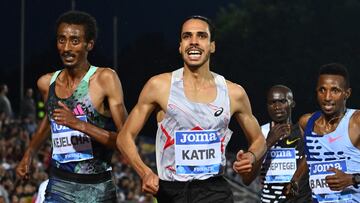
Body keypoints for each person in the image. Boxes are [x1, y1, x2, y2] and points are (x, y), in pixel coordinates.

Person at [116, 15, 266, 203]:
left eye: (201, 36)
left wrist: (251, 156)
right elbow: (124, 137)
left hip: (215, 190)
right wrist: (144, 172)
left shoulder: (233, 92)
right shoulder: (159, 86)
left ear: (212, 46)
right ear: (180, 46)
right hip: (172, 192)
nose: (194, 42)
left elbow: (259, 139)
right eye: (187, 36)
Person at [16, 10, 127, 202]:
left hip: (97, 189)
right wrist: (29, 153)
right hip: (59, 185)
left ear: (89, 44)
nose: (66, 47)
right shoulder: (46, 83)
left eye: (74, 41)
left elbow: (126, 139)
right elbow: (49, 120)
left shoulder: (104, 79)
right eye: (61, 40)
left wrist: (79, 124)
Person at [298, 63, 360, 202]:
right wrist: (294, 180)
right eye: (322, 90)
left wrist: (353, 178)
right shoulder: (307, 122)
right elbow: (310, 157)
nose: (327, 97)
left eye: (335, 90)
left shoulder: (356, 121)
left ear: (347, 93)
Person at [239, 85, 311, 202]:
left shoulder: (303, 131)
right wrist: (267, 144)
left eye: (282, 101)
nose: (277, 107)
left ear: (292, 104)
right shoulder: (260, 133)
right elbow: (247, 179)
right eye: (272, 103)